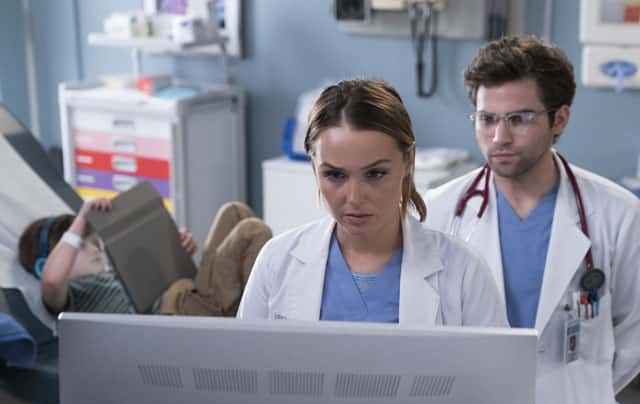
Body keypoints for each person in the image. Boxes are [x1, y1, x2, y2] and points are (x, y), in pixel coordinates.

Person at [424, 35, 640, 404]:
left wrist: (582, 390)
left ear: (560, 119)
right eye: (487, 119)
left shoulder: (618, 215)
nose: (500, 138)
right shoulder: (437, 213)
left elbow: (634, 333)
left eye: (519, 119)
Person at [237, 79, 507, 328]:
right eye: (335, 175)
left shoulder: (464, 272)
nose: (354, 198)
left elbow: (495, 366)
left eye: (375, 174)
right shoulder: (276, 262)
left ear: (408, 161)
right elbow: (245, 362)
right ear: (313, 166)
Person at [18, 198, 272, 317]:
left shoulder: (114, 274)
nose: (95, 250)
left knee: (234, 212)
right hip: (170, 315)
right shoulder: (71, 297)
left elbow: (161, 280)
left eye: (94, 243)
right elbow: (52, 281)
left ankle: (241, 311)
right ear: (45, 265)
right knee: (252, 231)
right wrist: (81, 220)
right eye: (81, 246)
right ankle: (257, 324)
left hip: (187, 295)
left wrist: (178, 253)